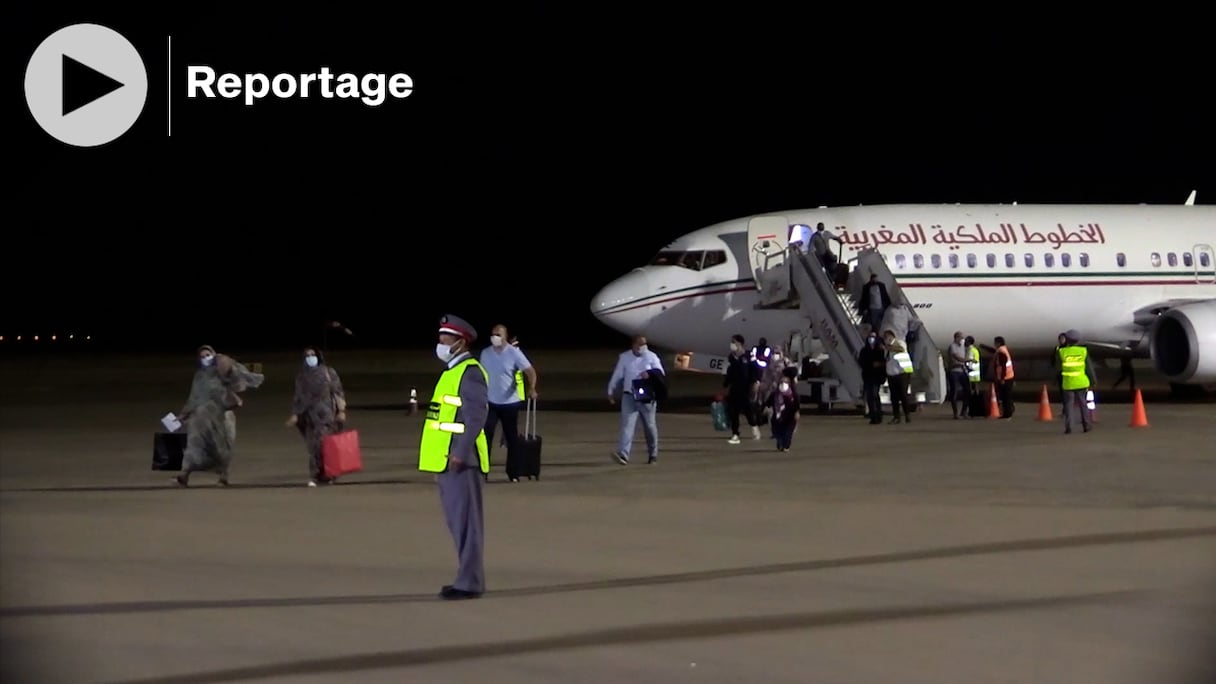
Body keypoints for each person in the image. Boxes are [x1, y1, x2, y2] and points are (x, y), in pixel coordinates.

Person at [419, 314, 490, 600]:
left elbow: (476, 418)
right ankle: (466, 577)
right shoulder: (451, 371)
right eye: (440, 337)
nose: (440, 342)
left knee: (466, 524)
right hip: (446, 460)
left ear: (461, 342)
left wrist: (460, 453)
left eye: (445, 338)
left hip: (462, 460)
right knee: (457, 523)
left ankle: (470, 583)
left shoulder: (470, 371)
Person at [173, 345, 264, 487]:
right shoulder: (199, 375)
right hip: (200, 419)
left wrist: (228, 368)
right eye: (202, 356)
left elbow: (238, 385)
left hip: (221, 417)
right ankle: (184, 475)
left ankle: (223, 476)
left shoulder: (222, 372)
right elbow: (194, 397)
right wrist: (183, 414)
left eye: (207, 355)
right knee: (194, 445)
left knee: (221, 447)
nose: (205, 358)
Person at [479, 324, 538, 481]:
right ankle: (482, 471)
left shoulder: (514, 353)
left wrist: (531, 388)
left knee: (512, 439)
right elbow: (480, 375)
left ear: (505, 336)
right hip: (490, 402)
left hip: (509, 404)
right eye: (493, 334)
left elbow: (530, 372)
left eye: (498, 334)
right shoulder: (485, 353)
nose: (495, 337)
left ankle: (513, 473)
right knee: (485, 436)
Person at [286, 347, 346, 487]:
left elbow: (337, 392)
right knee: (313, 447)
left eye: (313, 355)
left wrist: (341, 411)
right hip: (309, 417)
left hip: (326, 416)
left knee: (324, 444)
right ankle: (317, 475)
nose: (310, 358)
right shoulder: (301, 377)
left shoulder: (328, 372)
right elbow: (298, 397)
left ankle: (329, 474)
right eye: (307, 355)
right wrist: (295, 414)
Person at [607, 335, 664, 465]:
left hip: (646, 395)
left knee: (649, 426)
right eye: (639, 344)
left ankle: (653, 454)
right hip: (629, 395)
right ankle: (623, 454)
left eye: (644, 344)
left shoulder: (651, 357)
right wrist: (610, 390)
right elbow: (617, 374)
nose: (642, 347)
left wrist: (650, 374)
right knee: (627, 425)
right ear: (633, 345)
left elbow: (661, 373)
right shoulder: (625, 357)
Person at [1057, 329, 1098, 434]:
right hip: (1081, 382)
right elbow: (1089, 368)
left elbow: (1058, 368)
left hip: (1068, 383)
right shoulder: (1083, 351)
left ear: (1067, 340)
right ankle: (1087, 426)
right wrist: (1093, 381)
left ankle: (1069, 427)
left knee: (1068, 406)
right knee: (1083, 404)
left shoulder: (1062, 352)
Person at [723, 334, 760, 444]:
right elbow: (729, 373)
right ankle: (735, 434)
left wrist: (755, 382)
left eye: (734, 342)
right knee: (733, 411)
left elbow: (755, 369)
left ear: (740, 343)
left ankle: (754, 427)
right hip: (735, 387)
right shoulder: (731, 357)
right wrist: (725, 384)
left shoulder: (749, 355)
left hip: (746, 387)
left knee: (747, 410)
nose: (732, 344)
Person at [765, 367, 801, 451]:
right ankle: (780, 443)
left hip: (789, 416)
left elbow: (797, 403)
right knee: (777, 431)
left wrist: (796, 412)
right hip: (777, 415)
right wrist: (766, 407)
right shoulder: (776, 393)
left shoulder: (793, 393)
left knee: (787, 432)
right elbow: (769, 401)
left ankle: (785, 445)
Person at [884, 329, 914, 424]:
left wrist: (890, 347)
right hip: (891, 374)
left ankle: (907, 415)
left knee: (903, 395)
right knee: (894, 397)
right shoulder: (886, 348)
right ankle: (896, 416)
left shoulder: (899, 343)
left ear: (892, 336)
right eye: (885, 338)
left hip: (902, 373)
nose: (886, 339)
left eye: (887, 337)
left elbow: (901, 349)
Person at [857, 330, 887, 424]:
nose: (871, 339)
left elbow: (884, 363)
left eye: (873, 337)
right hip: (867, 376)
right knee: (870, 396)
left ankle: (877, 414)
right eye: (870, 337)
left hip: (876, 376)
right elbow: (861, 362)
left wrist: (878, 365)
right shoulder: (864, 350)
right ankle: (873, 415)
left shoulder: (880, 350)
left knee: (874, 395)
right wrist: (871, 364)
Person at [946, 331, 971, 419]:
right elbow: (956, 357)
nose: (962, 340)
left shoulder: (962, 347)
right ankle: (955, 413)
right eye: (960, 338)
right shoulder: (952, 346)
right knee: (954, 391)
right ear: (956, 338)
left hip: (962, 370)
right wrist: (966, 360)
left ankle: (964, 412)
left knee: (967, 390)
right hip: (954, 371)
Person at [991, 336, 1016, 419]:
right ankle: (1008, 412)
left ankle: (1008, 413)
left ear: (998, 343)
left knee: (1006, 397)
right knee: (1006, 396)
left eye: (995, 342)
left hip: (1006, 378)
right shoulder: (1002, 349)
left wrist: (1002, 378)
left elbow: (1003, 366)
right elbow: (994, 352)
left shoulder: (1001, 352)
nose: (994, 344)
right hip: (1009, 376)